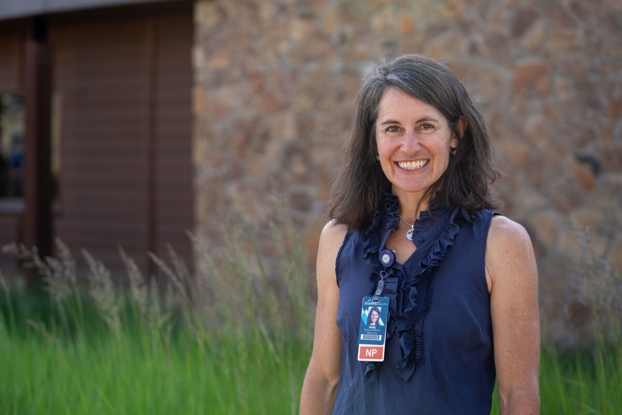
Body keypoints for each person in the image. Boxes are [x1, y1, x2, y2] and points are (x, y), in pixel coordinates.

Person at [300, 54, 540, 414]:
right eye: (392, 129)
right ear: (373, 141)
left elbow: (517, 394)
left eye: (426, 126)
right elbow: (323, 377)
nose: (409, 146)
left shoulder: (502, 244)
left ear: (456, 134)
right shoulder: (338, 239)